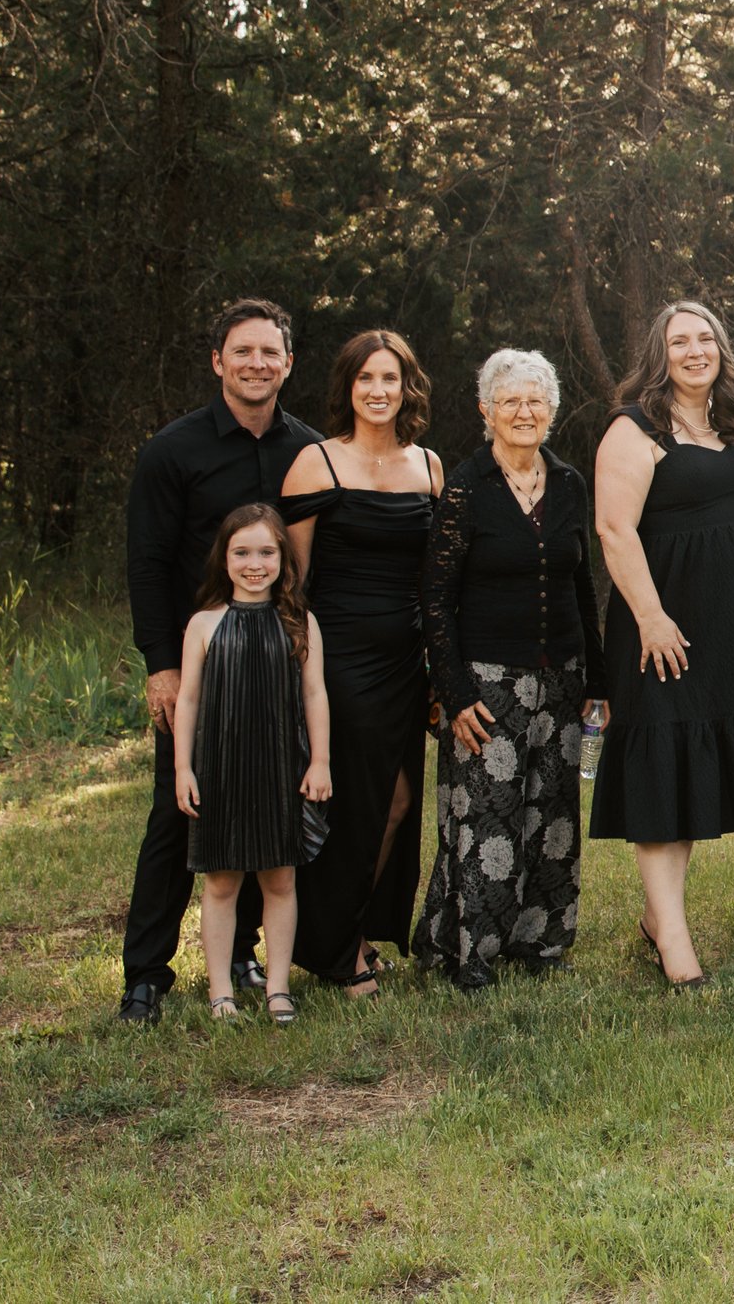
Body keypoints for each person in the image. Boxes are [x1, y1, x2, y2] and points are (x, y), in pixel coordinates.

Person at [117, 298, 321, 1024]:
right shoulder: (172, 451)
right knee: (179, 817)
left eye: (270, 353)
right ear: (218, 361)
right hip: (200, 667)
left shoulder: (308, 451)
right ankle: (145, 974)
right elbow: (145, 564)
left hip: (276, 669)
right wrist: (161, 665)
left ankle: (241, 958)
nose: (257, 364)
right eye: (243, 352)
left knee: (267, 818)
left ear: (288, 363)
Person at [591, 301, 734, 986]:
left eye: (706, 337)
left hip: (731, 622)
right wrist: (649, 617)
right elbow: (615, 531)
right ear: (660, 354)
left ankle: (660, 919)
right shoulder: (633, 428)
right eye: (679, 340)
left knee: (689, 765)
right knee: (661, 759)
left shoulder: (730, 428)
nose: (694, 350)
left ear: (722, 349)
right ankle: (673, 942)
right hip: (663, 625)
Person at [415, 349, 607, 988]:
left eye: (535, 401)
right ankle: (471, 951)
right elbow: (436, 596)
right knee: (487, 818)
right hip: (486, 682)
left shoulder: (570, 483)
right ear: (486, 411)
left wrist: (597, 683)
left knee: (552, 813)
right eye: (509, 401)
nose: (523, 412)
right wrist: (454, 689)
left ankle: (541, 942)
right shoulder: (467, 486)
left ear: (551, 411)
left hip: (563, 680)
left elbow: (583, 586)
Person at [279, 331, 442, 996]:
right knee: (355, 803)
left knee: (399, 802)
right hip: (337, 658)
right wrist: (299, 668)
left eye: (391, 378)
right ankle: (333, 947)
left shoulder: (429, 466)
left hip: (409, 657)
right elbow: (292, 583)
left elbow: (439, 577)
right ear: (347, 387)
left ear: (408, 387)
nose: (379, 390)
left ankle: (347, 933)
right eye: (366, 379)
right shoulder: (316, 463)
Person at [171, 504, 333, 1025]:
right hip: (220, 766)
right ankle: (222, 992)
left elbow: (315, 695)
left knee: (280, 881)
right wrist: (183, 769)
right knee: (220, 883)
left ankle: (278, 988)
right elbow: (189, 702)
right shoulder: (203, 625)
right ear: (224, 559)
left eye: (266, 552)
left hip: (282, 766)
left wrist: (321, 762)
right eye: (242, 552)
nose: (254, 563)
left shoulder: (300, 622)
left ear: (284, 559)